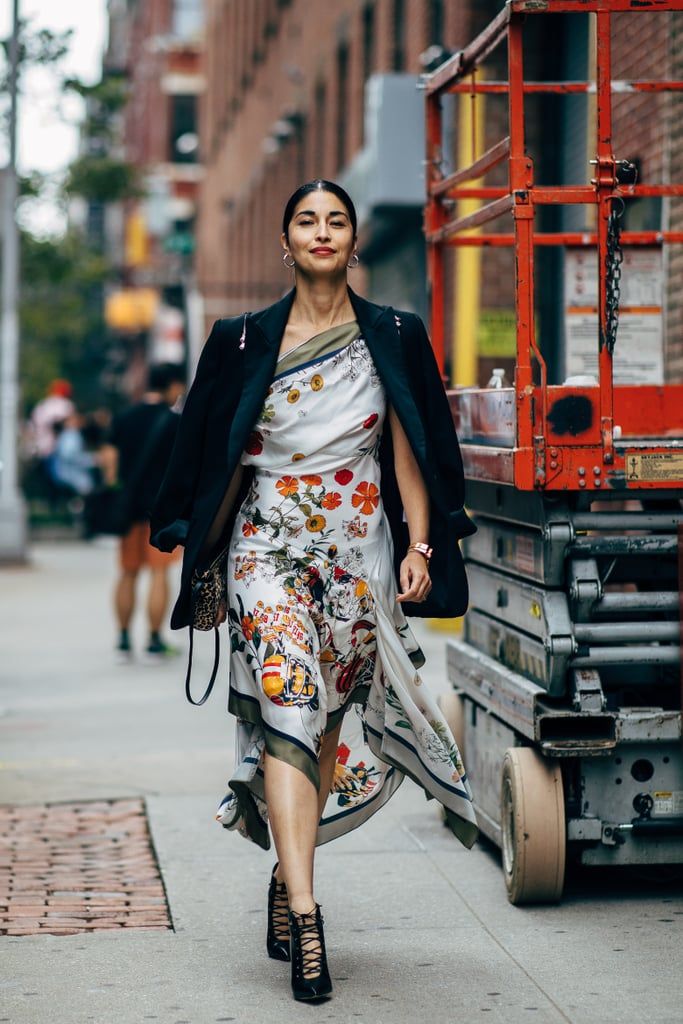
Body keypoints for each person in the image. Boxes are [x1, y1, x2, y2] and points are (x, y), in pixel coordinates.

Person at [150, 180, 478, 1002]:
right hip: (265, 553)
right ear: (285, 243)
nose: (321, 232)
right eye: (306, 220)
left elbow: (409, 451)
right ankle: (304, 912)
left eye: (336, 221)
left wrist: (422, 545)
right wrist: (202, 560)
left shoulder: (393, 334)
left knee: (324, 727)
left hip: (355, 557)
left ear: (353, 242)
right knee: (290, 706)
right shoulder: (238, 339)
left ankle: (283, 869)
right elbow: (209, 449)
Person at [103, 363, 186, 662]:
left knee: (127, 571)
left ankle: (124, 640)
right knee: (159, 573)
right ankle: (154, 641)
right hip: (160, 512)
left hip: (129, 509)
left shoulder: (124, 418)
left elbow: (109, 460)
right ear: (172, 385)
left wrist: (119, 490)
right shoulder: (176, 422)